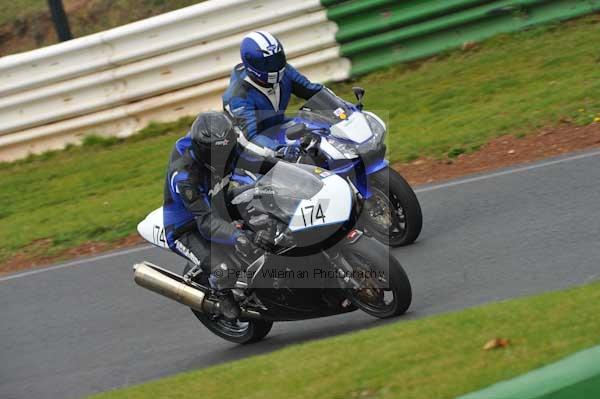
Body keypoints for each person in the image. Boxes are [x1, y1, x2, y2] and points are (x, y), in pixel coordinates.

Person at [162, 111, 277, 319]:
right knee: (224, 270)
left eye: (228, 150)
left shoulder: (226, 147)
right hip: (188, 226)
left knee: (265, 200)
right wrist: (239, 236)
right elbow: (206, 223)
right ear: (204, 150)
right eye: (219, 153)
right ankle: (221, 293)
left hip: (218, 201)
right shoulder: (185, 176)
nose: (226, 157)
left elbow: (256, 161)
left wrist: (289, 168)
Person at [222, 30, 323, 155]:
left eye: (276, 59)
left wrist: (347, 110)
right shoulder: (237, 96)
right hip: (248, 152)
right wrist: (281, 151)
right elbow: (250, 138)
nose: (274, 66)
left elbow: (313, 91)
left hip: (278, 128)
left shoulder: (286, 71)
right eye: (266, 63)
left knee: (320, 132)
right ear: (250, 63)